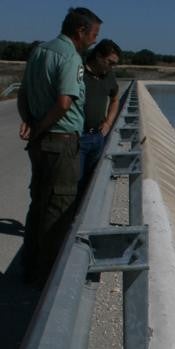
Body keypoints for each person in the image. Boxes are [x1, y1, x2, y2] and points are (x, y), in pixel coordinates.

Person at [17, 7, 102, 287]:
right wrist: (41, 127)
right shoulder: (70, 57)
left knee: (39, 204)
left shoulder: (40, 51)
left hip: (42, 143)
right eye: (93, 35)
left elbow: (22, 94)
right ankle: (47, 281)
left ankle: (29, 269)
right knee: (59, 210)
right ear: (80, 31)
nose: (93, 41)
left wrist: (30, 122)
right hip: (61, 141)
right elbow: (65, 103)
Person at [79, 39, 121, 193]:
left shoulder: (108, 76)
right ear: (98, 56)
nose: (111, 67)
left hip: (97, 137)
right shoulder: (79, 72)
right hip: (78, 138)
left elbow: (115, 99)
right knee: (75, 183)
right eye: (109, 62)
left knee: (90, 183)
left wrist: (108, 123)